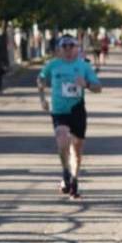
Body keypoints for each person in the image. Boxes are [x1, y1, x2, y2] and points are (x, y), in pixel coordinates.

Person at [39, 35, 103, 199]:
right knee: (62, 142)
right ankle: (66, 173)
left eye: (71, 46)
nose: (68, 50)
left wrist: (86, 84)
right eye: (64, 47)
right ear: (60, 49)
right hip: (59, 111)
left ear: (77, 48)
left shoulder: (84, 66)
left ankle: (74, 180)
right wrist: (42, 99)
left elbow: (98, 88)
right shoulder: (53, 65)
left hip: (77, 110)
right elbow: (40, 79)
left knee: (77, 149)